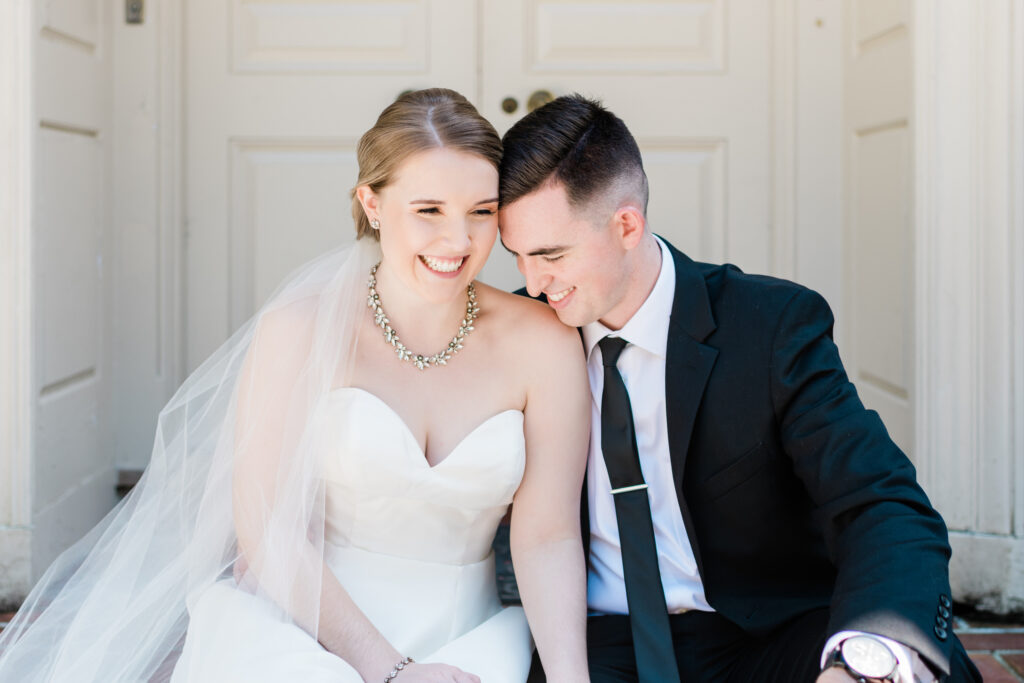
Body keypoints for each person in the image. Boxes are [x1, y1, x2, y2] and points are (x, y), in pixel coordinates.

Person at [0, 89, 591, 683]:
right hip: (310, 630)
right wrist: (391, 671)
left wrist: (571, 678)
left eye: (481, 212)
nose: (458, 241)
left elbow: (547, 536)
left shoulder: (541, 343)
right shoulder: (300, 330)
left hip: (470, 638)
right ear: (373, 203)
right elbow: (268, 534)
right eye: (428, 210)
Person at [498, 94, 982, 683]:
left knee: (923, 672)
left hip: (762, 636)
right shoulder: (520, 334)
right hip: (599, 646)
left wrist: (866, 657)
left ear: (627, 225)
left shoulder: (771, 327)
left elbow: (879, 502)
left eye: (551, 255)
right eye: (517, 256)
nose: (531, 282)